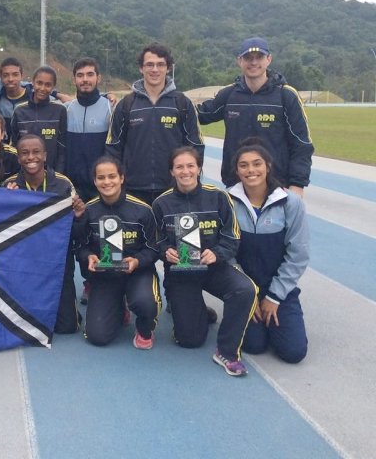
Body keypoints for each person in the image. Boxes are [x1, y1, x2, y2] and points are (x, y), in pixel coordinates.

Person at [152, 146, 258, 377]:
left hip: (213, 268)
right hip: (181, 272)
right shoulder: (162, 204)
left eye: (190, 165)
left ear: (199, 168)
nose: (185, 171)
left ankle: (227, 352)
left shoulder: (218, 197)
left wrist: (217, 253)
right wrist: (166, 252)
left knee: (244, 289)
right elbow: (155, 242)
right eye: (179, 167)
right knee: (189, 340)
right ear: (171, 171)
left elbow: (232, 237)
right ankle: (195, 309)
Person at [197, 37, 314, 195]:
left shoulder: (286, 96)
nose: (253, 62)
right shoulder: (229, 95)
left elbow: (301, 144)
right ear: (240, 61)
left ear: (269, 59)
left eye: (259, 57)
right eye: (248, 58)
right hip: (236, 185)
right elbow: (199, 115)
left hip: (277, 186)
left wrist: (298, 184)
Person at [227, 140, 309, 363]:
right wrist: (247, 293)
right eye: (243, 165)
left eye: (257, 163)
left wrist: (274, 296)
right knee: (254, 346)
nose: (251, 170)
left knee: (293, 352)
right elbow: (227, 252)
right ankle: (251, 317)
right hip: (244, 288)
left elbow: (298, 254)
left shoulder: (291, 203)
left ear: (268, 166)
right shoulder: (227, 202)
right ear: (236, 171)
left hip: (278, 289)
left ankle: (276, 317)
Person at [77, 156, 161, 349]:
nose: (107, 182)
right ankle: (119, 308)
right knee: (97, 337)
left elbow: (153, 248)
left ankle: (144, 328)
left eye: (112, 176)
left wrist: (138, 261)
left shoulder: (142, 210)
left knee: (146, 303)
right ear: (95, 181)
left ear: (122, 178)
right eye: (101, 178)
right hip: (105, 275)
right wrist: (88, 256)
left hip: (137, 272)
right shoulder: (89, 211)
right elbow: (81, 247)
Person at [106, 43, 204, 206]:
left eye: (160, 64)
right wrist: (118, 182)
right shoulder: (126, 104)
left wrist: (191, 181)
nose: (155, 69)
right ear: (141, 68)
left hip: (174, 189)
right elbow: (113, 147)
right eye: (149, 64)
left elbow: (195, 145)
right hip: (133, 189)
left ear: (168, 68)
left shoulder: (182, 103)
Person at [5, 134, 85, 334]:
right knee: (21, 322)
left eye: (36, 152)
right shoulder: (10, 186)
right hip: (22, 258)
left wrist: (78, 216)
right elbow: (1, 228)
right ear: (18, 158)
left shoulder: (63, 184)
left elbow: (76, 230)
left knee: (68, 327)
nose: (31, 157)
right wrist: (7, 201)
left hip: (56, 259)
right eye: (24, 153)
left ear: (45, 155)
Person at [64, 57, 113, 203]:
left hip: (101, 185)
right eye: (80, 75)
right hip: (73, 187)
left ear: (98, 78)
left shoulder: (111, 108)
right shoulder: (66, 109)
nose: (85, 79)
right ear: (74, 80)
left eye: (90, 74)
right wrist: (56, 94)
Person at [10, 66, 67, 173]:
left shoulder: (60, 110)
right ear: (33, 83)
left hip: (52, 174)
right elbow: (14, 145)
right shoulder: (19, 110)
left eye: (48, 85)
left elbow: (62, 147)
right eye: (39, 83)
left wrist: (58, 174)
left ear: (53, 87)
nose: (42, 88)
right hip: (25, 174)